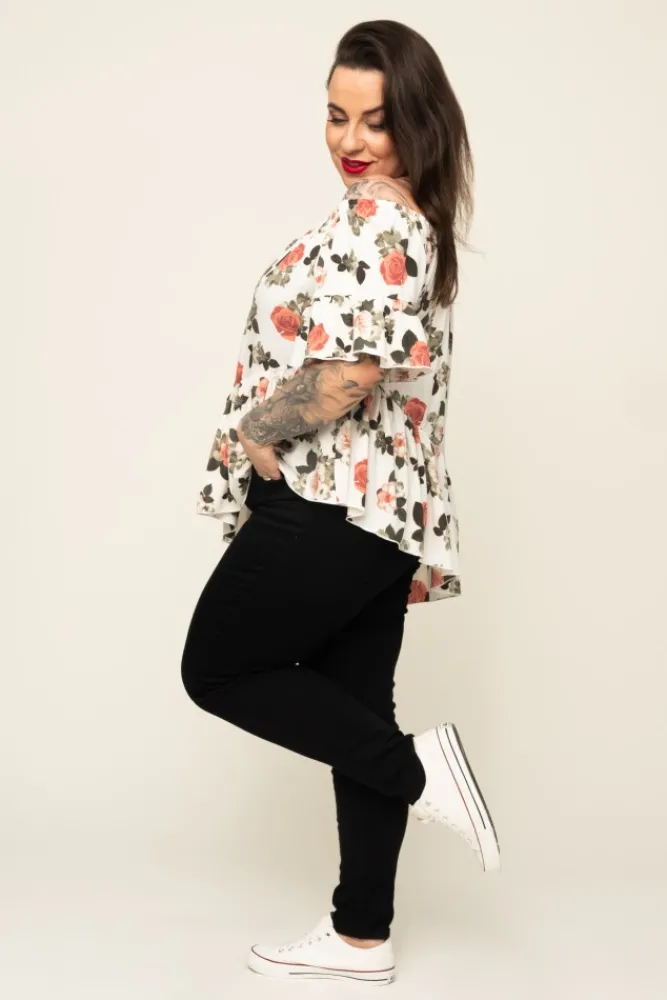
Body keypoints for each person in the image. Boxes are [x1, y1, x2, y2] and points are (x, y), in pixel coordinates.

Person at [181, 18, 500, 986]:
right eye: (335, 116)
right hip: (385, 515)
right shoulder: (411, 221)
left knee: (217, 668)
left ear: (417, 123)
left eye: (375, 120)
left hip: (332, 500)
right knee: (357, 704)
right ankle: (363, 935)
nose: (350, 140)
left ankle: (418, 772)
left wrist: (257, 432)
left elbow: (353, 374)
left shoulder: (377, 222)